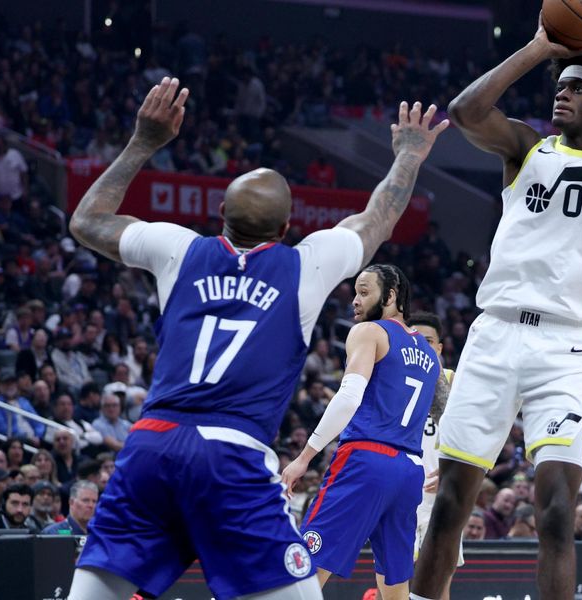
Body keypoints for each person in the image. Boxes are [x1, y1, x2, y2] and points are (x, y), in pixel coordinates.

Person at [66, 76, 447, 600]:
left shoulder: (179, 250)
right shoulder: (304, 266)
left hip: (152, 443)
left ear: (220, 216)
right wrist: (408, 154)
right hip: (233, 455)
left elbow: (86, 220)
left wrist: (144, 142)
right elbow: (379, 219)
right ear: (290, 226)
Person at [411, 1, 582, 598]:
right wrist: (541, 49)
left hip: (564, 347)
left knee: (555, 510)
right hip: (493, 335)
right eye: (560, 86)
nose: (562, 94)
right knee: (450, 504)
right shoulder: (527, 149)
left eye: (577, 87)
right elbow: (466, 110)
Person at [281, 266, 447, 600]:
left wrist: (303, 458)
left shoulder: (370, 332)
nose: (355, 301)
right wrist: (451, 461)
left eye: (364, 291)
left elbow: (348, 397)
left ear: (391, 295)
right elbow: (449, 411)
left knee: (305, 570)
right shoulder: (430, 355)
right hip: (409, 471)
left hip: (366, 461)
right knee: (395, 585)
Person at [408, 312, 460, 600]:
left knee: (439, 584)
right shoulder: (396, 380)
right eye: (416, 340)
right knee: (390, 582)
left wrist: (454, 474)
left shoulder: (455, 382)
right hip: (402, 492)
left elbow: (476, 440)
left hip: (439, 497)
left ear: (440, 347)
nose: (422, 346)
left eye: (428, 341)